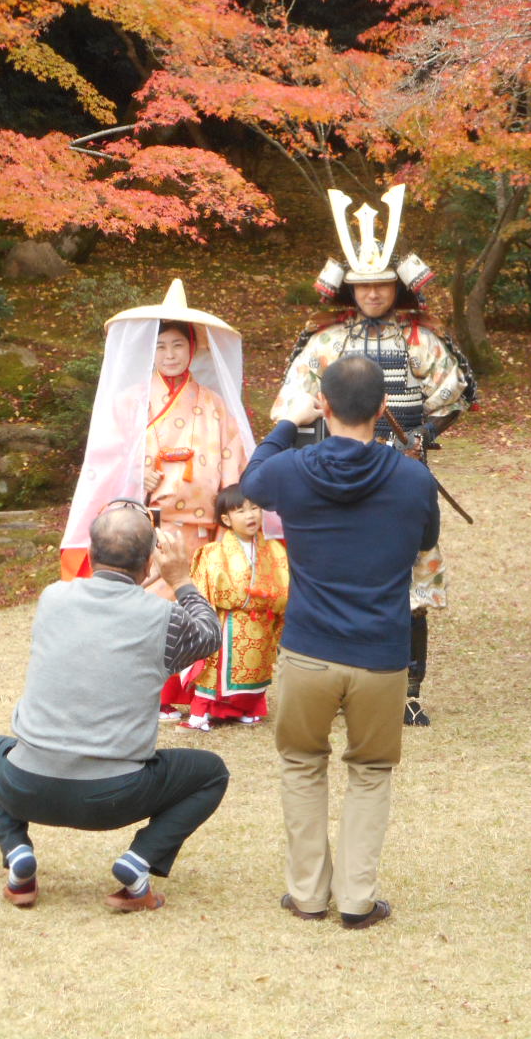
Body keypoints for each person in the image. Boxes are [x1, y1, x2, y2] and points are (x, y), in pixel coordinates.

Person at [242, 354, 440, 930]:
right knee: (371, 771)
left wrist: (288, 422)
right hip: (381, 654)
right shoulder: (412, 478)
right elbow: (426, 537)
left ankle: (307, 894)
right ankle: (356, 899)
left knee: (302, 763)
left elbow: (251, 480)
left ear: (324, 406)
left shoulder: (292, 470)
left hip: (308, 648)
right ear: (383, 408)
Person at [270, 184, 475, 726]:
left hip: (402, 473)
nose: (373, 294)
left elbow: (454, 395)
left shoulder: (420, 339)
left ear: (396, 286)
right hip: (334, 471)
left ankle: (408, 691)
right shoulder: (326, 341)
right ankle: (335, 684)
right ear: (351, 289)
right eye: (364, 285)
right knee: (333, 575)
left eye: (382, 284)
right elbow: (292, 404)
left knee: (408, 583)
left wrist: (422, 434)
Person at [0, 502, 229, 913]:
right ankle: (139, 861)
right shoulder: (165, 618)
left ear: (89, 555)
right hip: (113, 798)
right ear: (149, 563)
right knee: (211, 772)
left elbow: (108, 612)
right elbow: (210, 634)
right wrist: (181, 580)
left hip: (25, 785)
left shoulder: (52, 598)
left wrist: (137, 579)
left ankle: (17, 855)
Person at [55, 278, 263, 717]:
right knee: (146, 609)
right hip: (147, 527)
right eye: (161, 346)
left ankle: (192, 695)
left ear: (193, 349)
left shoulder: (215, 405)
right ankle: (141, 691)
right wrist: (136, 472)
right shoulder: (128, 403)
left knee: (193, 608)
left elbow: (233, 467)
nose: (169, 355)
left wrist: (229, 519)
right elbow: (104, 465)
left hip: (201, 531)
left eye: (178, 346)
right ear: (149, 351)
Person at [180, 484, 290, 733]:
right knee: (216, 669)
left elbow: (284, 586)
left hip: (261, 621)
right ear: (226, 519)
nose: (250, 515)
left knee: (256, 669)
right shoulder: (214, 552)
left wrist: (272, 601)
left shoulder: (275, 550)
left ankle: (246, 709)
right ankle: (200, 714)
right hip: (228, 621)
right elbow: (207, 590)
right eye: (241, 511)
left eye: (255, 508)